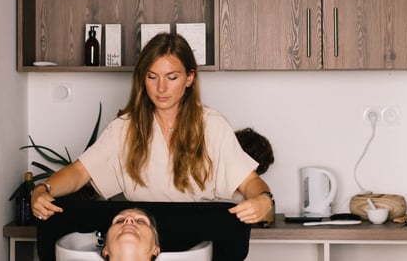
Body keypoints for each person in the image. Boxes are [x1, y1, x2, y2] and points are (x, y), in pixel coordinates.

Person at [32, 32, 274, 224]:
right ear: (142, 78)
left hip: (197, 239)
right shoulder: (124, 128)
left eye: (172, 77)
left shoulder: (212, 125)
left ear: (189, 78)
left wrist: (263, 200)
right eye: (152, 76)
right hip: (141, 241)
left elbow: (249, 182)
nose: (161, 88)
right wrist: (43, 189)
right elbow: (78, 173)